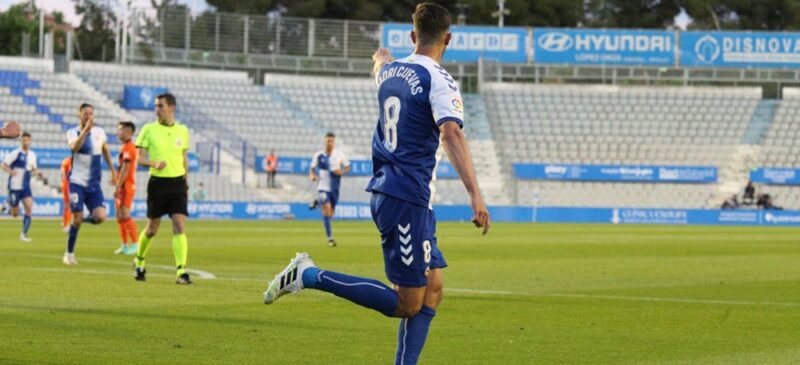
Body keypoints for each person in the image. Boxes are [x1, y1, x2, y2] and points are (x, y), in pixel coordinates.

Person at [263, 4, 491, 365]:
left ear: (413, 36)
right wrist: (475, 193)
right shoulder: (439, 79)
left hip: (403, 195)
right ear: (448, 39)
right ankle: (308, 274)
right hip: (405, 195)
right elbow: (451, 133)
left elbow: (381, 66)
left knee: (433, 289)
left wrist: (382, 56)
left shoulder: (390, 72)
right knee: (407, 302)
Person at [133, 93, 192, 284]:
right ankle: (139, 260)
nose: (156, 109)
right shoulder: (148, 129)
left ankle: (181, 271)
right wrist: (153, 163)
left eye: (160, 106)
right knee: (152, 229)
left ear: (171, 108)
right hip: (158, 183)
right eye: (156, 106)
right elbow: (139, 159)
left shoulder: (182, 131)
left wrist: (186, 180)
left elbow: (184, 158)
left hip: (177, 184)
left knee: (179, 225)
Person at [64, 103, 116, 265]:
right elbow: (74, 148)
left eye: (91, 113)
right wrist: (85, 132)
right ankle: (69, 254)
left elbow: (105, 149)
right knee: (77, 218)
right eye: (86, 113)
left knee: (100, 217)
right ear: (79, 114)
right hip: (77, 182)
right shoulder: (72, 132)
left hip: (94, 184)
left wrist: (113, 170)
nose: (88, 116)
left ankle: (77, 221)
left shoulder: (100, 132)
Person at [1, 132, 46, 241]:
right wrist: (11, 171)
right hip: (15, 186)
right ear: (21, 141)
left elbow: (33, 169)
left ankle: (23, 235)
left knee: (29, 208)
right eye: (24, 140)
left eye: (27, 140)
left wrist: (40, 174)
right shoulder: (16, 153)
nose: (26, 142)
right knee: (15, 214)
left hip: (26, 186)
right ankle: (6, 204)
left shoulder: (32, 155)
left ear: (30, 141)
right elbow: (3, 164)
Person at [309, 133, 350, 247]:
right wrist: (312, 176)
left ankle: (317, 203)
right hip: (322, 187)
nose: (330, 143)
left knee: (330, 214)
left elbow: (347, 167)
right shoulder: (318, 155)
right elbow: (311, 169)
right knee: (326, 209)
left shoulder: (339, 155)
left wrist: (341, 172)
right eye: (328, 141)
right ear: (324, 142)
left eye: (332, 141)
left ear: (334, 142)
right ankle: (330, 239)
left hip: (334, 189)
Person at [114, 121, 139, 255]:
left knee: (125, 214)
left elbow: (126, 168)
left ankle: (136, 244)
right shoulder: (124, 147)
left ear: (128, 132)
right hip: (123, 185)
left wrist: (118, 185)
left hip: (127, 186)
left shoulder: (129, 148)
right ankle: (124, 245)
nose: (118, 132)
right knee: (119, 216)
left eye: (120, 130)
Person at [59, 156, 72, 232]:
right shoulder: (67, 161)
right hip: (68, 184)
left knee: (69, 205)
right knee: (68, 205)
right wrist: (63, 182)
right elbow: (62, 173)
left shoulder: (67, 160)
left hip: (70, 184)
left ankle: (66, 223)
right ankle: (66, 224)